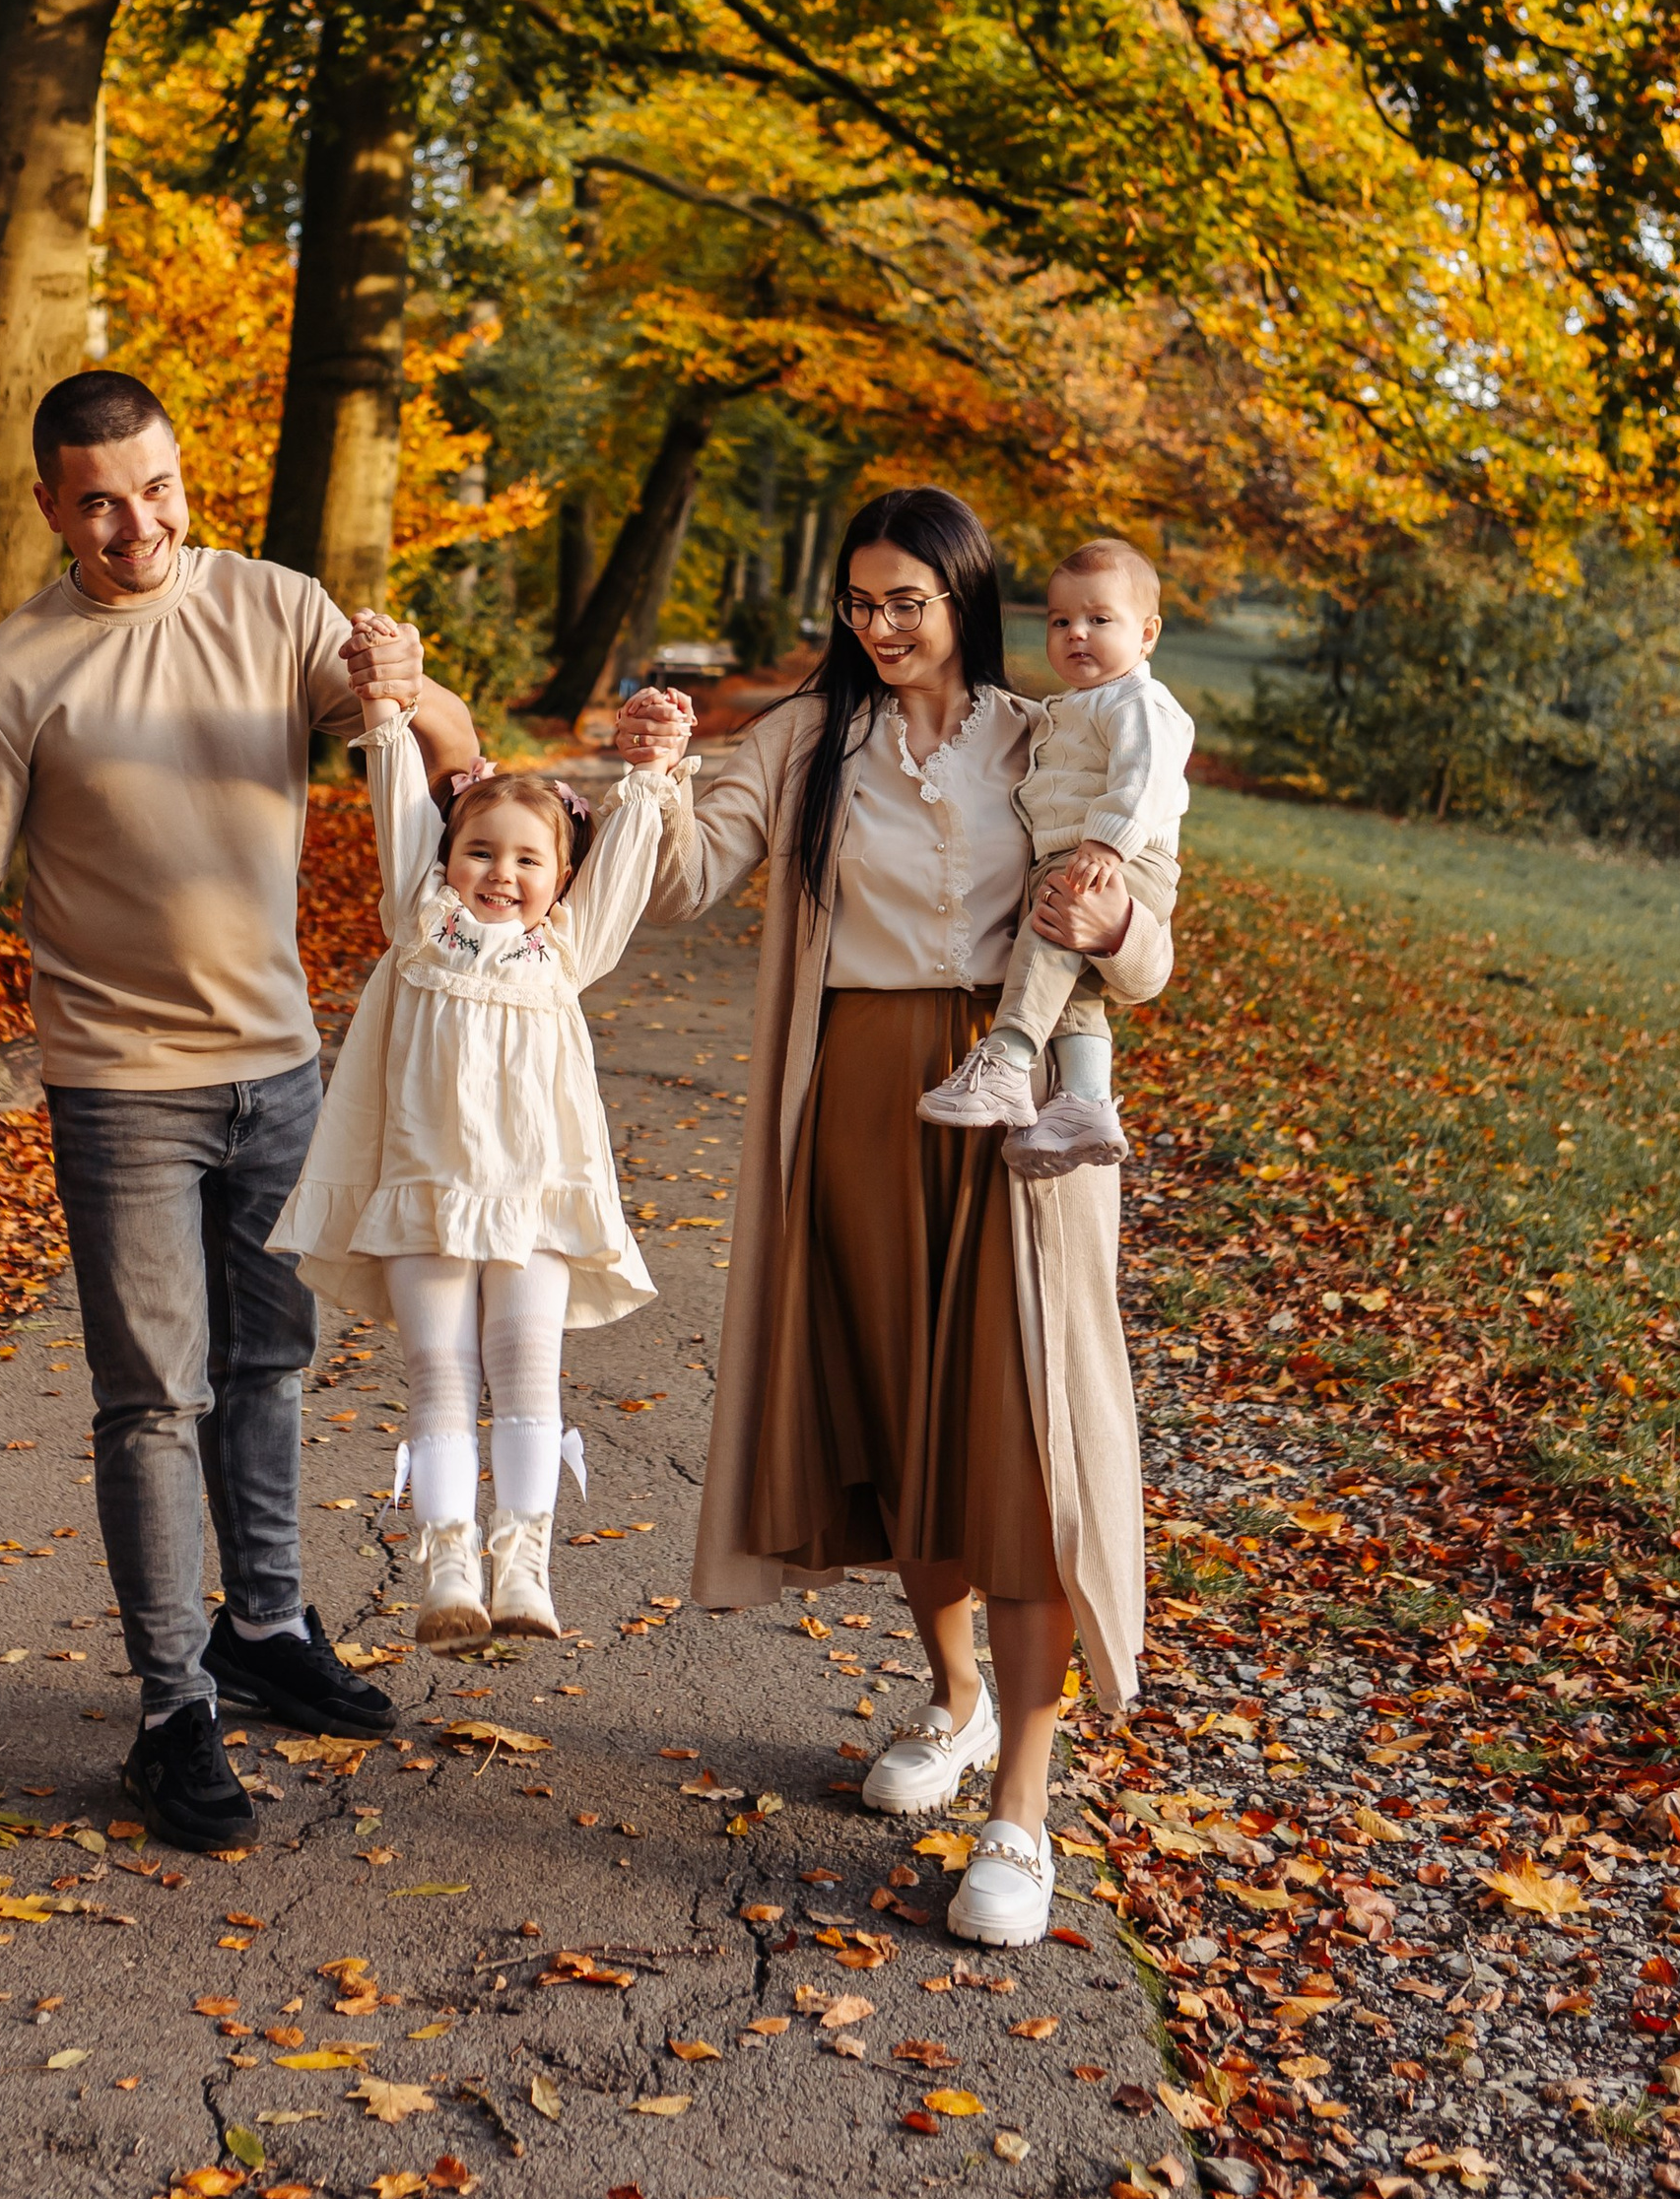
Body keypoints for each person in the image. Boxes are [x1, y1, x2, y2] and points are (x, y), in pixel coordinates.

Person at [0, 367, 481, 1856]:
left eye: (155, 488)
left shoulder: (277, 608)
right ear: (50, 505)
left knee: (274, 1365)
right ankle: (173, 1711)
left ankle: (268, 1626)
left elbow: (438, 740)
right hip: (118, 1092)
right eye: (97, 500)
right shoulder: (9, 675)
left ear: (184, 477)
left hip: (280, 1067)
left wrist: (413, 694)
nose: (134, 523)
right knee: (153, 1396)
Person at [617, 487, 1173, 1951]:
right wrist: (657, 774)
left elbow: (1151, 943)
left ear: (962, 599)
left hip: (1020, 1110)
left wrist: (1114, 926)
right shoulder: (807, 742)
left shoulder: (1047, 730)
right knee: (906, 1424)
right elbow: (680, 879)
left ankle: (1023, 1819)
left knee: (1021, 1444)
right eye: (858, 604)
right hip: (864, 1104)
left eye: (904, 603)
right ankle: (958, 1703)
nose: (876, 628)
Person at [268, 650, 685, 1652]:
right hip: (428, 1193)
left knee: (528, 1369)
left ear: (560, 879)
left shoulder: (567, 951)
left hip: (535, 1199)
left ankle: (523, 1560)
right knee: (439, 1373)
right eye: (480, 853)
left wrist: (652, 776)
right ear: (447, 858)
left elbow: (626, 856)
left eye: (527, 860)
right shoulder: (417, 922)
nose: (500, 874)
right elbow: (398, 800)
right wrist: (382, 709)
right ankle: (450, 1560)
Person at [919, 538, 1192, 1176]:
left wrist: (1106, 841)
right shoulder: (1068, 709)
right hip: (1081, 854)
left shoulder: (1139, 703)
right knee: (1069, 984)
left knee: (1048, 937)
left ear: (1147, 634)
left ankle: (1009, 1062)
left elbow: (1146, 775)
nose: (1077, 634)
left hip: (1121, 860)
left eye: (1100, 619)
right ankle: (1086, 1103)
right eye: (1060, 620)